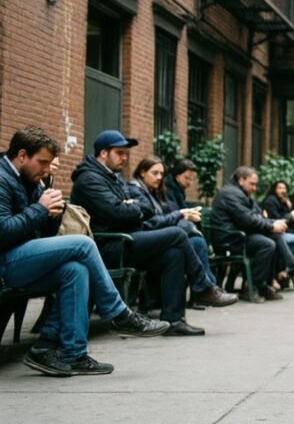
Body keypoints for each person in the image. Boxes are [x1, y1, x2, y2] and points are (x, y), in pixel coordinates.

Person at [1, 127, 169, 376]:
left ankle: (67, 352)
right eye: (43, 162)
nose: (47, 169)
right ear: (22, 155)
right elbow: (3, 230)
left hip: (21, 259)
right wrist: (40, 209)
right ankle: (120, 314)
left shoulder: (30, 179)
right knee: (83, 243)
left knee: (75, 270)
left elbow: (43, 231)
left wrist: (52, 214)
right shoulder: (3, 178)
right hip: (6, 263)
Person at [70, 130, 223, 336]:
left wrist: (131, 206)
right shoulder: (89, 179)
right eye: (119, 153)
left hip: (128, 239)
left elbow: (142, 207)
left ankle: (173, 320)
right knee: (177, 234)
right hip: (107, 247)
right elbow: (118, 213)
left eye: (126, 153)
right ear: (103, 153)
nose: (125, 158)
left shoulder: (113, 177)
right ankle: (203, 287)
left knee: (174, 254)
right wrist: (130, 207)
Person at [127, 156, 237, 308]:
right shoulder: (137, 190)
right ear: (142, 172)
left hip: (155, 236)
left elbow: (163, 216)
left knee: (185, 246)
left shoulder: (153, 191)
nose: (159, 177)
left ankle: (177, 316)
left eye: (161, 174)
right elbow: (152, 222)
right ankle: (205, 288)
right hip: (140, 240)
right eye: (155, 173)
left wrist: (183, 218)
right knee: (187, 239)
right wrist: (181, 215)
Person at [210, 167, 294, 302]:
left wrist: (275, 223)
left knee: (275, 235)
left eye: (255, 184)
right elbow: (247, 219)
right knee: (267, 244)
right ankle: (254, 287)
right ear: (241, 180)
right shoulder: (231, 194)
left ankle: (269, 281)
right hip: (229, 239)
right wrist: (271, 225)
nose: (254, 188)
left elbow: (256, 216)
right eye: (252, 184)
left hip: (239, 235)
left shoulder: (240, 193)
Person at [261, 180, 294, 266]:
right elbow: (275, 220)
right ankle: (284, 267)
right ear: (274, 189)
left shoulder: (283, 200)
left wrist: (289, 206)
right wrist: (290, 216)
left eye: (284, 188)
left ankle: (293, 266)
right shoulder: (271, 201)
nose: (282, 190)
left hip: (286, 230)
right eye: (279, 188)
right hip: (274, 231)